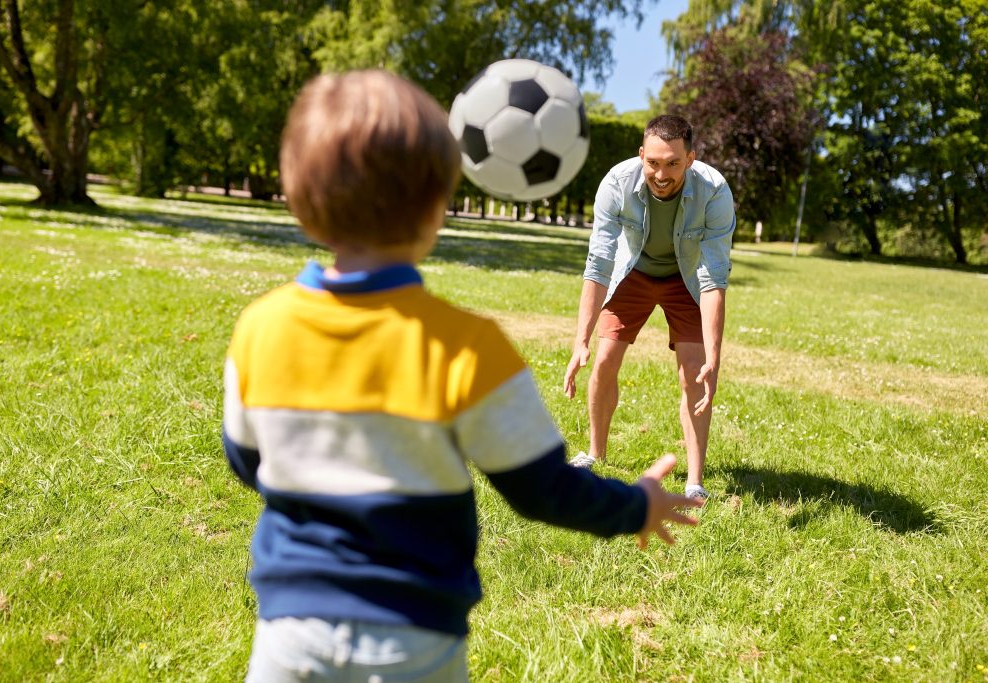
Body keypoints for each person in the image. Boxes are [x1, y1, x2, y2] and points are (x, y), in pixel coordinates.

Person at [222, 71, 703, 683]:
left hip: (287, 638)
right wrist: (634, 506)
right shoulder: (467, 347)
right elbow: (542, 490)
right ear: (436, 207)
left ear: (297, 199)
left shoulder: (261, 327)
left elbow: (246, 459)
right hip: (415, 639)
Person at [563, 115, 735, 501]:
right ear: (642, 155)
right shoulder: (617, 184)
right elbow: (599, 262)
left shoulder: (714, 192)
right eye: (653, 162)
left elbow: (713, 278)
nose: (661, 173)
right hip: (633, 272)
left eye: (673, 163)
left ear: (690, 158)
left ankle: (694, 482)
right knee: (605, 359)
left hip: (685, 277)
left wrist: (714, 357)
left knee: (694, 372)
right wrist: (581, 341)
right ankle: (595, 453)